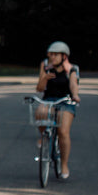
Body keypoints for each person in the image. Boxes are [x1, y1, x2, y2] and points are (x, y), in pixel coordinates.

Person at [35, 41, 81, 179]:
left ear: (64, 56)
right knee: (39, 113)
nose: (52, 57)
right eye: (51, 55)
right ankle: (43, 137)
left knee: (63, 131)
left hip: (65, 101)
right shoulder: (45, 66)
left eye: (56, 55)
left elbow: (73, 85)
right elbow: (39, 89)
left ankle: (64, 164)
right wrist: (44, 78)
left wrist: (75, 95)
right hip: (49, 99)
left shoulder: (72, 69)